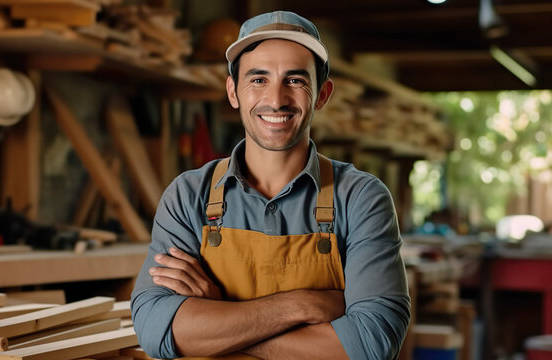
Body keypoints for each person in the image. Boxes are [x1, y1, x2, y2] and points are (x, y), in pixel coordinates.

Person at [131, 10, 410, 360]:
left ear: (322, 95)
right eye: (258, 80)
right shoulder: (189, 195)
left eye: (295, 80)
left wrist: (223, 320)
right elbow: (157, 329)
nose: (276, 99)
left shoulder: (361, 198)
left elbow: (371, 345)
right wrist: (298, 306)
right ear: (233, 92)